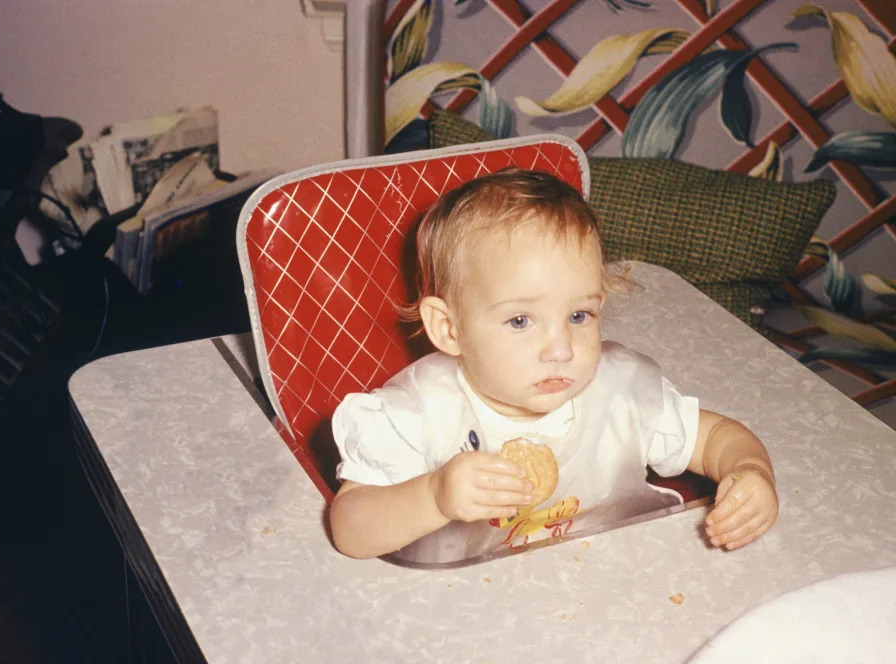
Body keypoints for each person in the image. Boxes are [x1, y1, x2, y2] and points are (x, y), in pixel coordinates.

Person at [328, 167, 778, 561]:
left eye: (578, 316)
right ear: (449, 329)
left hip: (605, 584)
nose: (561, 348)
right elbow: (350, 528)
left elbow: (718, 436)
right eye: (521, 320)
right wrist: (433, 496)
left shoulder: (619, 393)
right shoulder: (419, 413)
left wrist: (750, 472)